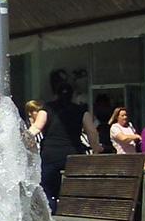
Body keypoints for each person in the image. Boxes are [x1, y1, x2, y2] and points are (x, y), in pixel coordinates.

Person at [30, 77, 102, 210]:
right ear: (73, 95)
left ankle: (51, 215)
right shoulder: (81, 111)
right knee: (74, 188)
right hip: (73, 156)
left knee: (48, 188)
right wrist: (96, 148)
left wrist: (23, 140)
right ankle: (71, 210)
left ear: (55, 94)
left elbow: (36, 127)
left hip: (50, 155)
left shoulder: (46, 109)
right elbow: (91, 131)